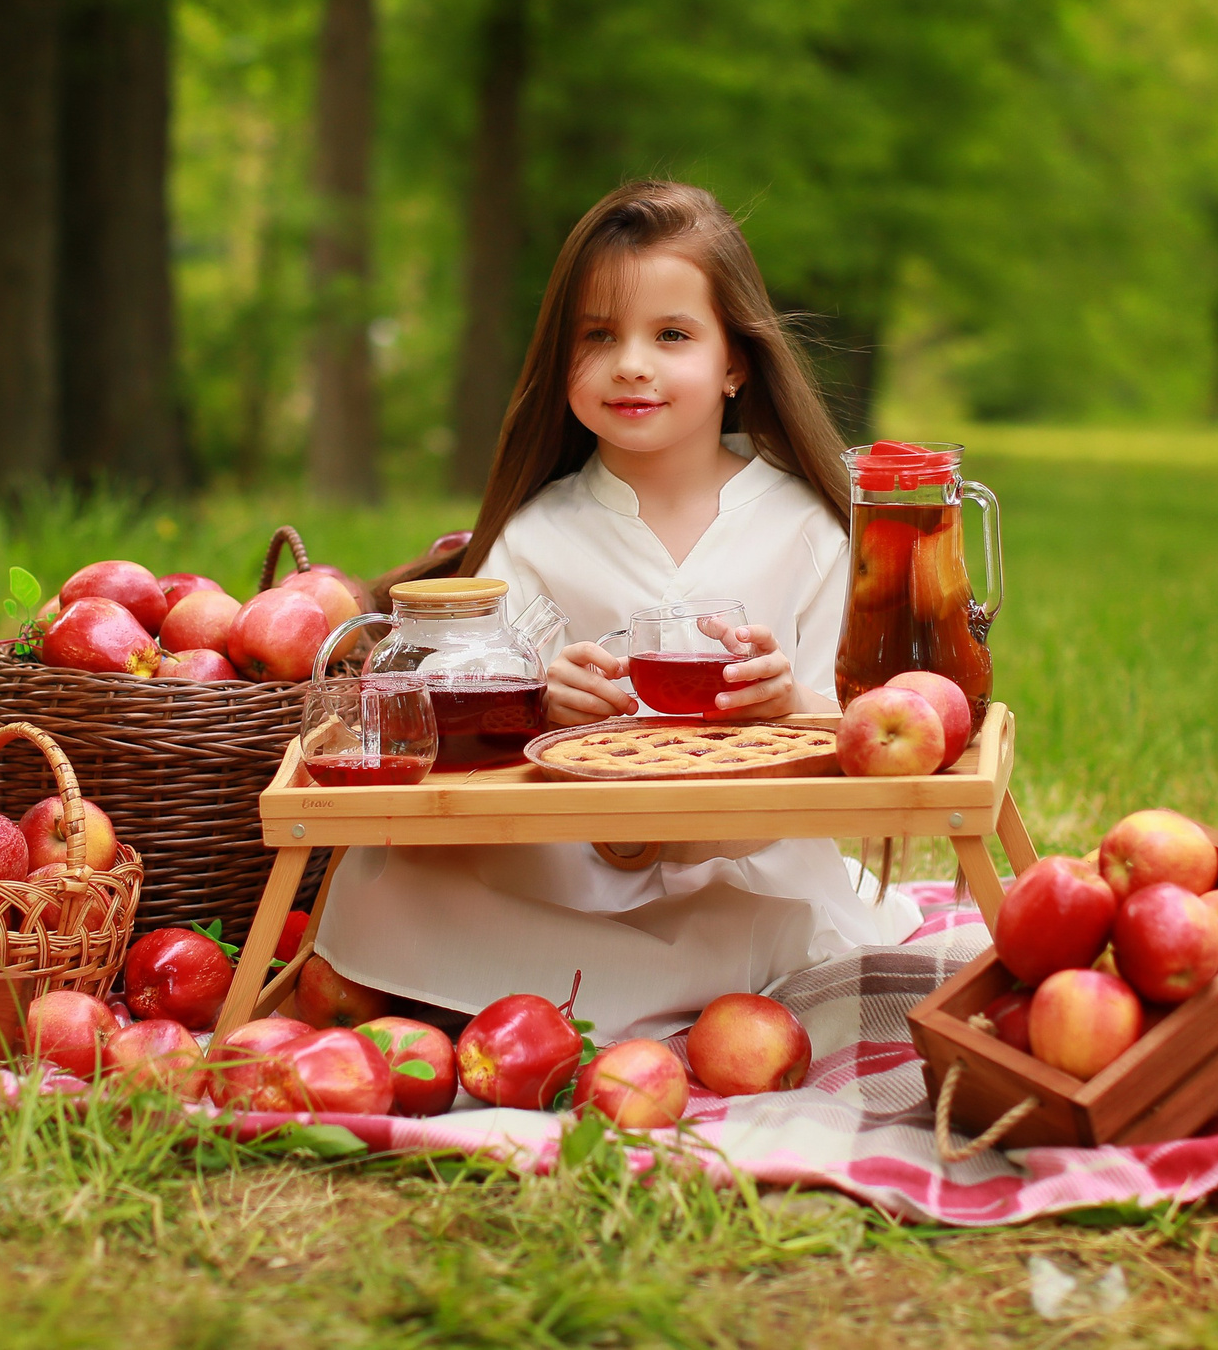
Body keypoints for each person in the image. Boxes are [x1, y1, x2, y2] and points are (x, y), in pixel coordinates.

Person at [313, 180, 922, 1040]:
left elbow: (864, 726)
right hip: (571, 871)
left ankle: (600, 995)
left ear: (736, 362)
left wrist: (788, 702)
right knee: (385, 888)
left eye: (672, 334)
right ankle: (614, 995)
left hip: (743, 868)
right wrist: (540, 703)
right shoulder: (537, 533)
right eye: (598, 335)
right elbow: (466, 722)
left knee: (759, 917)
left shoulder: (807, 528)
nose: (632, 363)